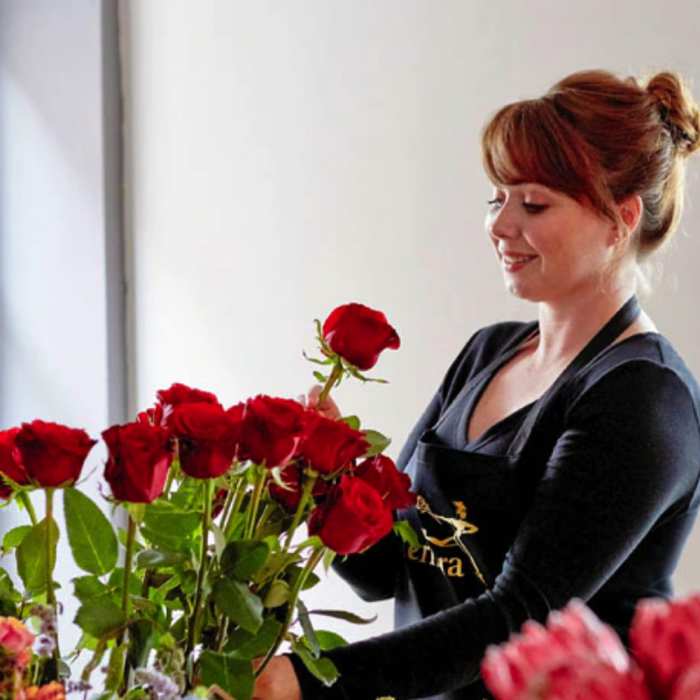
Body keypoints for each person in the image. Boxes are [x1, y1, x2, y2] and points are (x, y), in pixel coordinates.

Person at [253, 69, 700, 700]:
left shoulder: (643, 401)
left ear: (620, 219)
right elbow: (387, 572)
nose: (499, 224)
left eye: (534, 203)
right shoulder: (488, 352)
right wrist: (326, 480)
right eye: (497, 197)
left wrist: (309, 683)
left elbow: (517, 618)